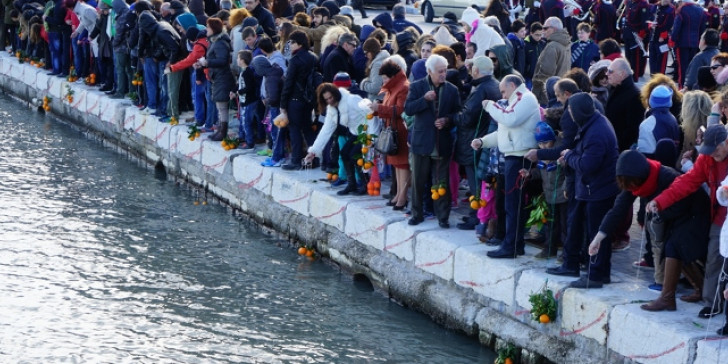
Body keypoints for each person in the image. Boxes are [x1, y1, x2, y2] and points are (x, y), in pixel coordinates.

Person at [591, 150, 709, 309]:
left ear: (639, 177)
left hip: (695, 212)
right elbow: (617, 210)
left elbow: (684, 202)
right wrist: (599, 238)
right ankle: (696, 290)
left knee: (676, 247)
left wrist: (658, 210)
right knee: (673, 248)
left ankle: (673, 297)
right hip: (674, 215)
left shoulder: (666, 177)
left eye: (631, 184)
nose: (630, 189)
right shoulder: (634, 183)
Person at [647, 124, 728, 319]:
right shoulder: (707, 158)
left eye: (716, 149)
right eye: (709, 150)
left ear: (725, 142)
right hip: (720, 215)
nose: (713, 154)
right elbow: (686, 182)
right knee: (714, 258)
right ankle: (712, 303)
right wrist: (660, 201)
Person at [548, 93, 619, 288]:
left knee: (596, 234)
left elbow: (588, 165)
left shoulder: (596, 131)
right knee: (597, 233)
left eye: (570, 110)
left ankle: (595, 275)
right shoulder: (594, 123)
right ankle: (601, 273)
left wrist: (569, 156)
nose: (569, 113)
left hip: (598, 189)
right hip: (596, 187)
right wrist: (572, 156)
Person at [472, 74, 540, 258]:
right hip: (512, 157)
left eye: (503, 91)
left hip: (519, 159)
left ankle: (511, 246)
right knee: (511, 205)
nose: (501, 95)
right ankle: (514, 245)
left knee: (513, 205)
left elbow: (509, 119)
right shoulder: (515, 101)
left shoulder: (524, 99)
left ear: (512, 85)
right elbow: (504, 131)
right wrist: (482, 141)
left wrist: (490, 106)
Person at [404, 54, 461, 228]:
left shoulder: (452, 89)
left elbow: (458, 113)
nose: (443, 74)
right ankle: (416, 214)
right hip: (421, 141)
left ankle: (443, 217)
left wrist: (447, 120)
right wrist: (424, 100)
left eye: (445, 71)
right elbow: (408, 109)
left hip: (441, 142)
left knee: (441, 181)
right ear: (429, 71)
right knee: (418, 181)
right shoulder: (417, 86)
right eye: (440, 71)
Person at [454, 56, 500, 230]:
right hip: (486, 138)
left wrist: (452, 117)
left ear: (476, 70)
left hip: (474, 139)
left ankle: (477, 217)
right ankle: (479, 215)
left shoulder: (481, 89)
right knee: (482, 182)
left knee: (476, 181)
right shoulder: (494, 84)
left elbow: (467, 118)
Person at [304, 83, 367, 195]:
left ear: (335, 94)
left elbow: (370, 112)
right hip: (355, 132)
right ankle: (351, 185)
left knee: (354, 155)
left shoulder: (352, 100)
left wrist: (372, 136)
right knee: (344, 153)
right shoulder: (332, 110)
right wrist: (313, 152)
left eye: (331, 97)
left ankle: (364, 184)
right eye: (326, 99)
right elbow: (326, 131)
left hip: (366, 131)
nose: (329, 101)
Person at [521, 121, 568, 258]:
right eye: (540, 144)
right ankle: (549, 249)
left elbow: (568, 174)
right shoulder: (541, 154)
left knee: (565, 226)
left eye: (546, 142)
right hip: (549, 195)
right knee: (550, 224)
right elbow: (541, 172)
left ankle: (566, 253)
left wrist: (566, 189)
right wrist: (529, 174)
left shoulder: (560, 152)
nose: (543, 146)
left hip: (563, 195)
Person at [370, 59, 410, 209]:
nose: (384, 81)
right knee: (396, 165)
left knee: (402, 164)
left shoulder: (403, 88)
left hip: (400, 130)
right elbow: (389, 107)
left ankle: (402, 196)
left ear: (392, 76)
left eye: (385, 78)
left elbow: (400, 110)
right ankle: (399, 194)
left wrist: (379, 109)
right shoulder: (392, 88)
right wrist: (376, 109)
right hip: (392, 129)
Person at [280, 30, 318, 171]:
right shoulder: (313, 57)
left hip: (295, 100)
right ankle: (314, 158)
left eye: (292, 42)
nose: (290, 44)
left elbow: (288, 83)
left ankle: (296, 160)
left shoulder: (295, 61)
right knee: (307, 129)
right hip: (308, 100)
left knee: (294, 130)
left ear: (299, 43)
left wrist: (283, 105)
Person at [198, 17, 235, 142]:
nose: (206, 29)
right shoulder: (215, 41)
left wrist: (207, 62)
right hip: (217, 76)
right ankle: (220, 129)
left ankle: (222, 132)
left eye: (208, 27)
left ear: (213, 28)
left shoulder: (220, 43)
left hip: (222, 77)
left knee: (222, 105)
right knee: (219, 105)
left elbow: (223, 60)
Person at [604, 58, 645, 152]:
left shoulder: (635, 96)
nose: (607, 74)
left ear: (622, 73)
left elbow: (632, 130)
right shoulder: (615, 88)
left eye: (610, 71)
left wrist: (616, 148)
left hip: (619, 149)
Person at [532, 17, 571, 106]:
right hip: (560, 92)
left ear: (554, 29)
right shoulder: (566, 44)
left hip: (547, 96)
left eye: (545, 28)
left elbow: (545, 74)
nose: (543, 30)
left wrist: (536, 93)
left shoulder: (552, 46)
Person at [671, 0, 707, 87]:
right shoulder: (701, 11)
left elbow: (676, 27)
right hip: (696, 43)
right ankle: (690, 86)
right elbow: (703, 29)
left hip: (682, 43)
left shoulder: (681, 10)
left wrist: (672, 39)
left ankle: (682, 86)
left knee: (682, 67)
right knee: (692, 66)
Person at [637, 85, 681, 157]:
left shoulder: (647, 124)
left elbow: (645, 153)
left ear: (651, 100)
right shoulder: (673, 119)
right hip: (670, 162)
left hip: (654, 165)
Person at [621, 0, 649, 81]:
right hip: (627, 33)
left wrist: (641, 35)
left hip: (635, 35)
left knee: (635, 58)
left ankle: (634, 77)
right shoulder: (629, 2)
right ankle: (628, 75)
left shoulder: (643, 4)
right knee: (628, 56)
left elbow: (645, 22)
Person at [648, 0, 675, 77]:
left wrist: (663, 36)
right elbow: (649, 19)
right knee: (652, 59)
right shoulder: (655, 7)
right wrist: (650, 25)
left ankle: (660, 78)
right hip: (653, 37)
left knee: (661, 61)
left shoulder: (671, 9)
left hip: (662, 39)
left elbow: (670, 25)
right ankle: (653, 77)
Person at [523, 21, 545, 88]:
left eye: (540, 35)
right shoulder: (525, 44)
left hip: (540, 76)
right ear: (531, 33)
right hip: (528, 77)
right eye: (537, 35)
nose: (539, 37)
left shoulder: (542, 44)